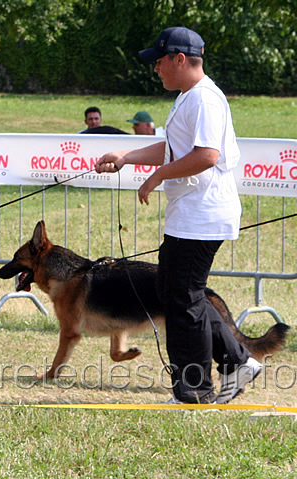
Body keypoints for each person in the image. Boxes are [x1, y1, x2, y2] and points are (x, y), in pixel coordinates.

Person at [95, 26, 261, 405]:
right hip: (189, 213)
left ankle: (194, 391)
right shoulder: (190, 97)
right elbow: (175, 147)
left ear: (180, 59)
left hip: (202, 214)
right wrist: (126, 158)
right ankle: (236, 361)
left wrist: (155, 177)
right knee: (174, 292)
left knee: (182, 300)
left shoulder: (205, 100)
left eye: (159, 61)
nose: (156, 69)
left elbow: (206, 156)